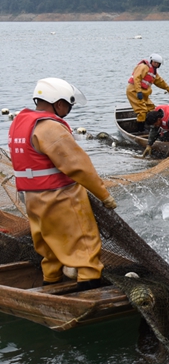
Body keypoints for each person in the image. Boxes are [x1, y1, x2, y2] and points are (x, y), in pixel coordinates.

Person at [8, 78, 117, 290]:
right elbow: (78, 166)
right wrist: (104, 195)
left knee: (47, 246)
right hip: (60, 197)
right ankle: (89, 289)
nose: (68, 109)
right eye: (68, 104)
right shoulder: (50, 128)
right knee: (84, 243)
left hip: (31, 197)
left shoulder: (19, 123)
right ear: (58, 103)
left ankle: (51, 280)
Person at [126, 54, 169, 132]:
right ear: (151, 61)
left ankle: (151, 126)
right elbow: (136, 79)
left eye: (158, 64)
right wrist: (138, 91)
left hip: (144, 92)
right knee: (142, 111)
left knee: (151, 108)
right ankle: (141, 130)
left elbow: (160, 82)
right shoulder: (143, 67)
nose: (156, 64)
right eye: (155, 63)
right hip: (134, 91)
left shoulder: (153, 72)